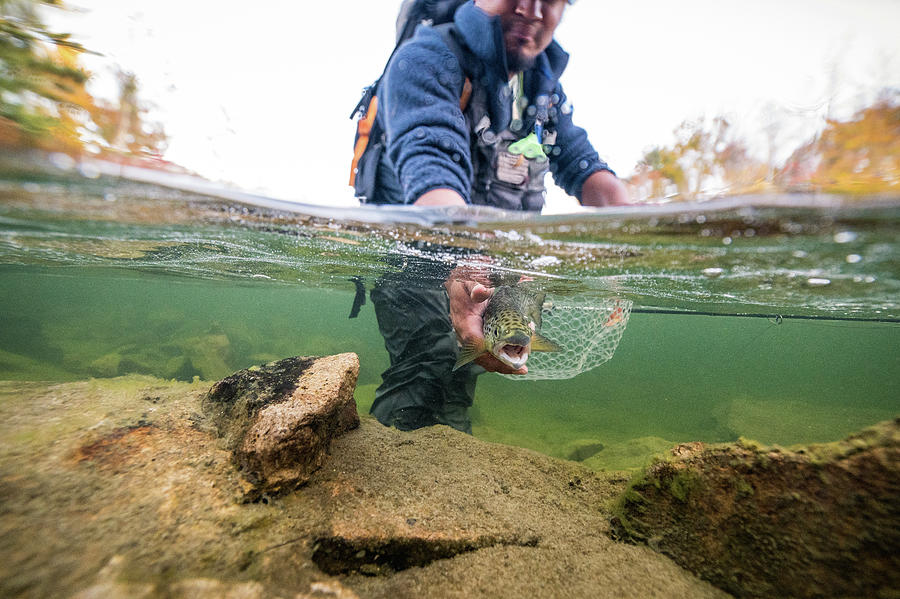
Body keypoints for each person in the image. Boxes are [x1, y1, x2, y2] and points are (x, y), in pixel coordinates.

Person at [367, 0, 629, 432]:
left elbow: (586, 168)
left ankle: (449, 478)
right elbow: (433, 172)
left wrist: (635, 223)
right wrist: (465, 262)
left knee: (461, 375)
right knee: (427, 362)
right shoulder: (425, 58)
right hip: (415, 257)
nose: (532, 9)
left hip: (488, 268)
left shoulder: (543, 89)